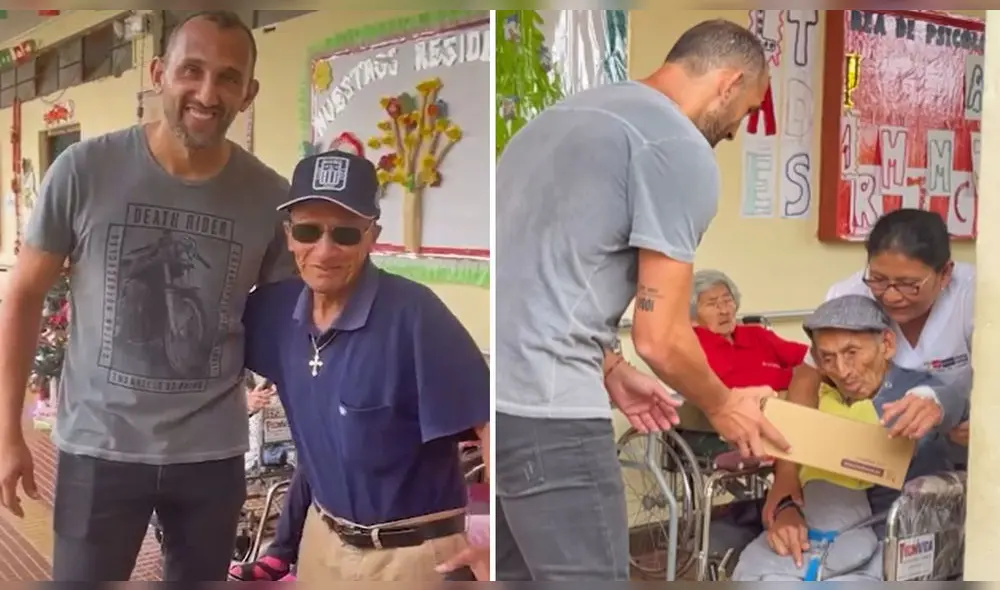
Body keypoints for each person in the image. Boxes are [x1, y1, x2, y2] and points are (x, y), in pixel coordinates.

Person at [0, 11, 294, 581]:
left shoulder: (269, 197)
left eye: (228, 78)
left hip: (211, 454)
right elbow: (22, 296)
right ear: (158, 72)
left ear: (249, 92)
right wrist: (7, 430)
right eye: (192, 70)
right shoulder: (84, 170)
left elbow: (287, 324)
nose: (208, 93)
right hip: (99, 447)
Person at [494, 19, 790, 581]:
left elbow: (531, 277)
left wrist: (608, 364)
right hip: (551, 416)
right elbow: (662, 337)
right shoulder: (675, 146)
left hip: (496, 405)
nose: (735, 131)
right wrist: (726, 407)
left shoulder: (553, 122)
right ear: (727, 82)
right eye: (747, 111)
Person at [242, 149, 491, 581]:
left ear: (371, 235)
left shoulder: (415, 315)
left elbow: (492, 423)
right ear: (288, 235)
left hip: (412, 554)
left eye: (345, 234)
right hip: (321, 542)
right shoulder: (273, 311)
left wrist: (499, 541)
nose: (324, 250)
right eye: (307, 230)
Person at [762, 208, 974, 565]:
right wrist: (785, 477)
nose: (891, 295)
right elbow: (807, 377)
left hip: (959, 444)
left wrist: (980, 422)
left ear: (945, 274)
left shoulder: (975, 298)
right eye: (878, 279)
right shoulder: (847, 295)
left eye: (909, 284)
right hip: (882, 462)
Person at [733, 295, 963, 581]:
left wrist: (938, 406)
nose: (842, 371)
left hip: (893, 543)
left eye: (852, 352)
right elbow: (788, 457)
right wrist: (786, 509)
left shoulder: (916, 392)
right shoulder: (818, 396)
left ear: (887, 345)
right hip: (813, 538)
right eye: (828, 358)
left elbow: (954, 402)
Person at [692, 269, 808, 390]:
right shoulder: (694, 347)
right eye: (712, 304)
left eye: (727, 300)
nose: (724, 311)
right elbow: (732, 384)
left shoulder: (755, 334)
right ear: (692, 313)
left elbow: (806, 356)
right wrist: (796, 375)